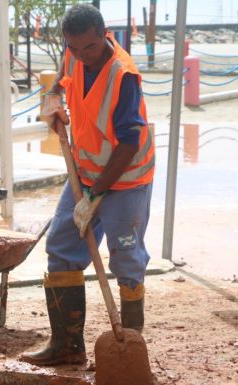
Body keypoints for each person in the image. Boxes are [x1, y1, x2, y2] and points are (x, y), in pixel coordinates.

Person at [21, 4, 154, 366]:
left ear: (104, 34)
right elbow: (63, 76)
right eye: (74, 48)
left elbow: (128, 141)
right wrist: (52, 97)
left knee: (126, 258)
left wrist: (96, 195)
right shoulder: (75, 51)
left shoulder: (123, 75)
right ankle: (66, 345)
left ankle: (131, 351)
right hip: (85, 170)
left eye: (89, 49)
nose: (81, 56)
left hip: (125, 177)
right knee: (62, 245)